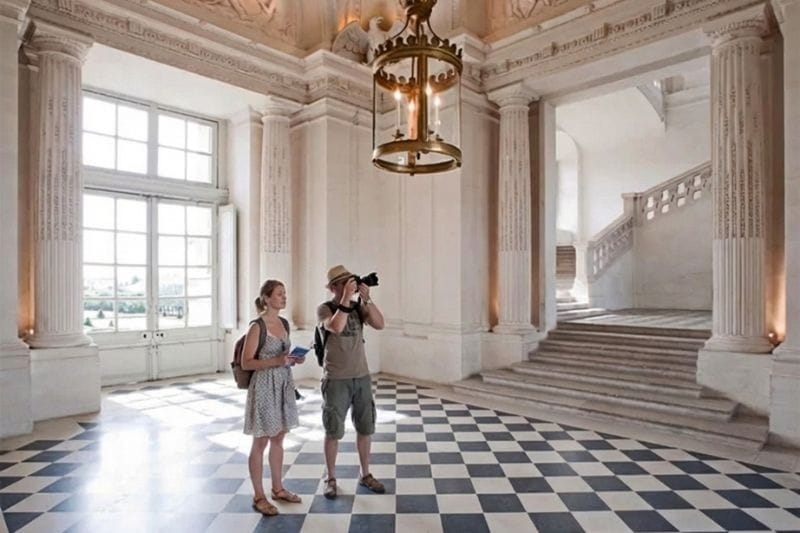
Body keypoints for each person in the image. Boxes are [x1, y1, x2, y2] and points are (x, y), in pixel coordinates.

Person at [317, 265, 386, 499]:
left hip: (361, 376)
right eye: (345, 283)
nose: (350, 285)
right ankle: (331, 478)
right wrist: (346, 298)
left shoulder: (358, 308)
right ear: (334, 287)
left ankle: (365, 474)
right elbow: (335, 326)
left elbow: (379, 323)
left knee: (365, 428)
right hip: (336, 378)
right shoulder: (325, 309)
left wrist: (367, 300)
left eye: (351, 282)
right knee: (333, 430)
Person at [242, 279, 306, 516]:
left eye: (285, 294)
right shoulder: (257, 327)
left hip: (283, 383)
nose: (284, 297)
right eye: (279, 294)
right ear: (267, 298)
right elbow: (246, 362)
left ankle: (278, 488)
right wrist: (277, 361)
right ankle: (259, 496)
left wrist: (292, 359)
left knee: (279, 437)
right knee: (261, 441)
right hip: (265, 386)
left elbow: (283, 355)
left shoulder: (283, 323)